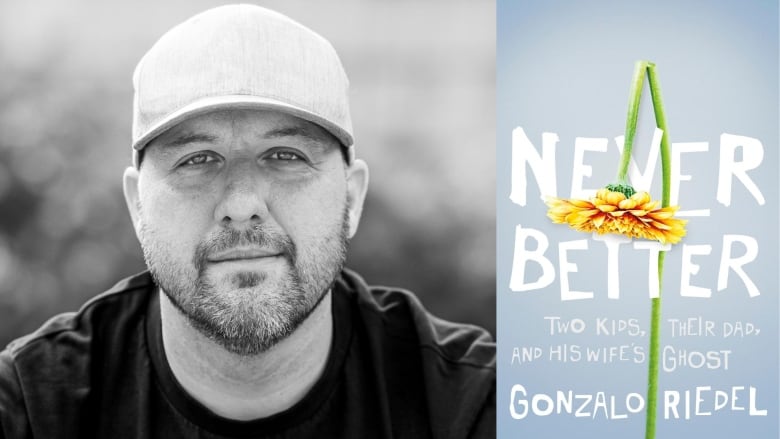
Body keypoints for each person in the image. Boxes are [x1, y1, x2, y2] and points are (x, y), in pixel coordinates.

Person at [0, 4, 495, 438]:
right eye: (197, 159)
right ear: (137, 204)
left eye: (285, 155)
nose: (241, 203)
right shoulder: (34, 408)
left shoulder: (473, 404)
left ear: (352, 196)